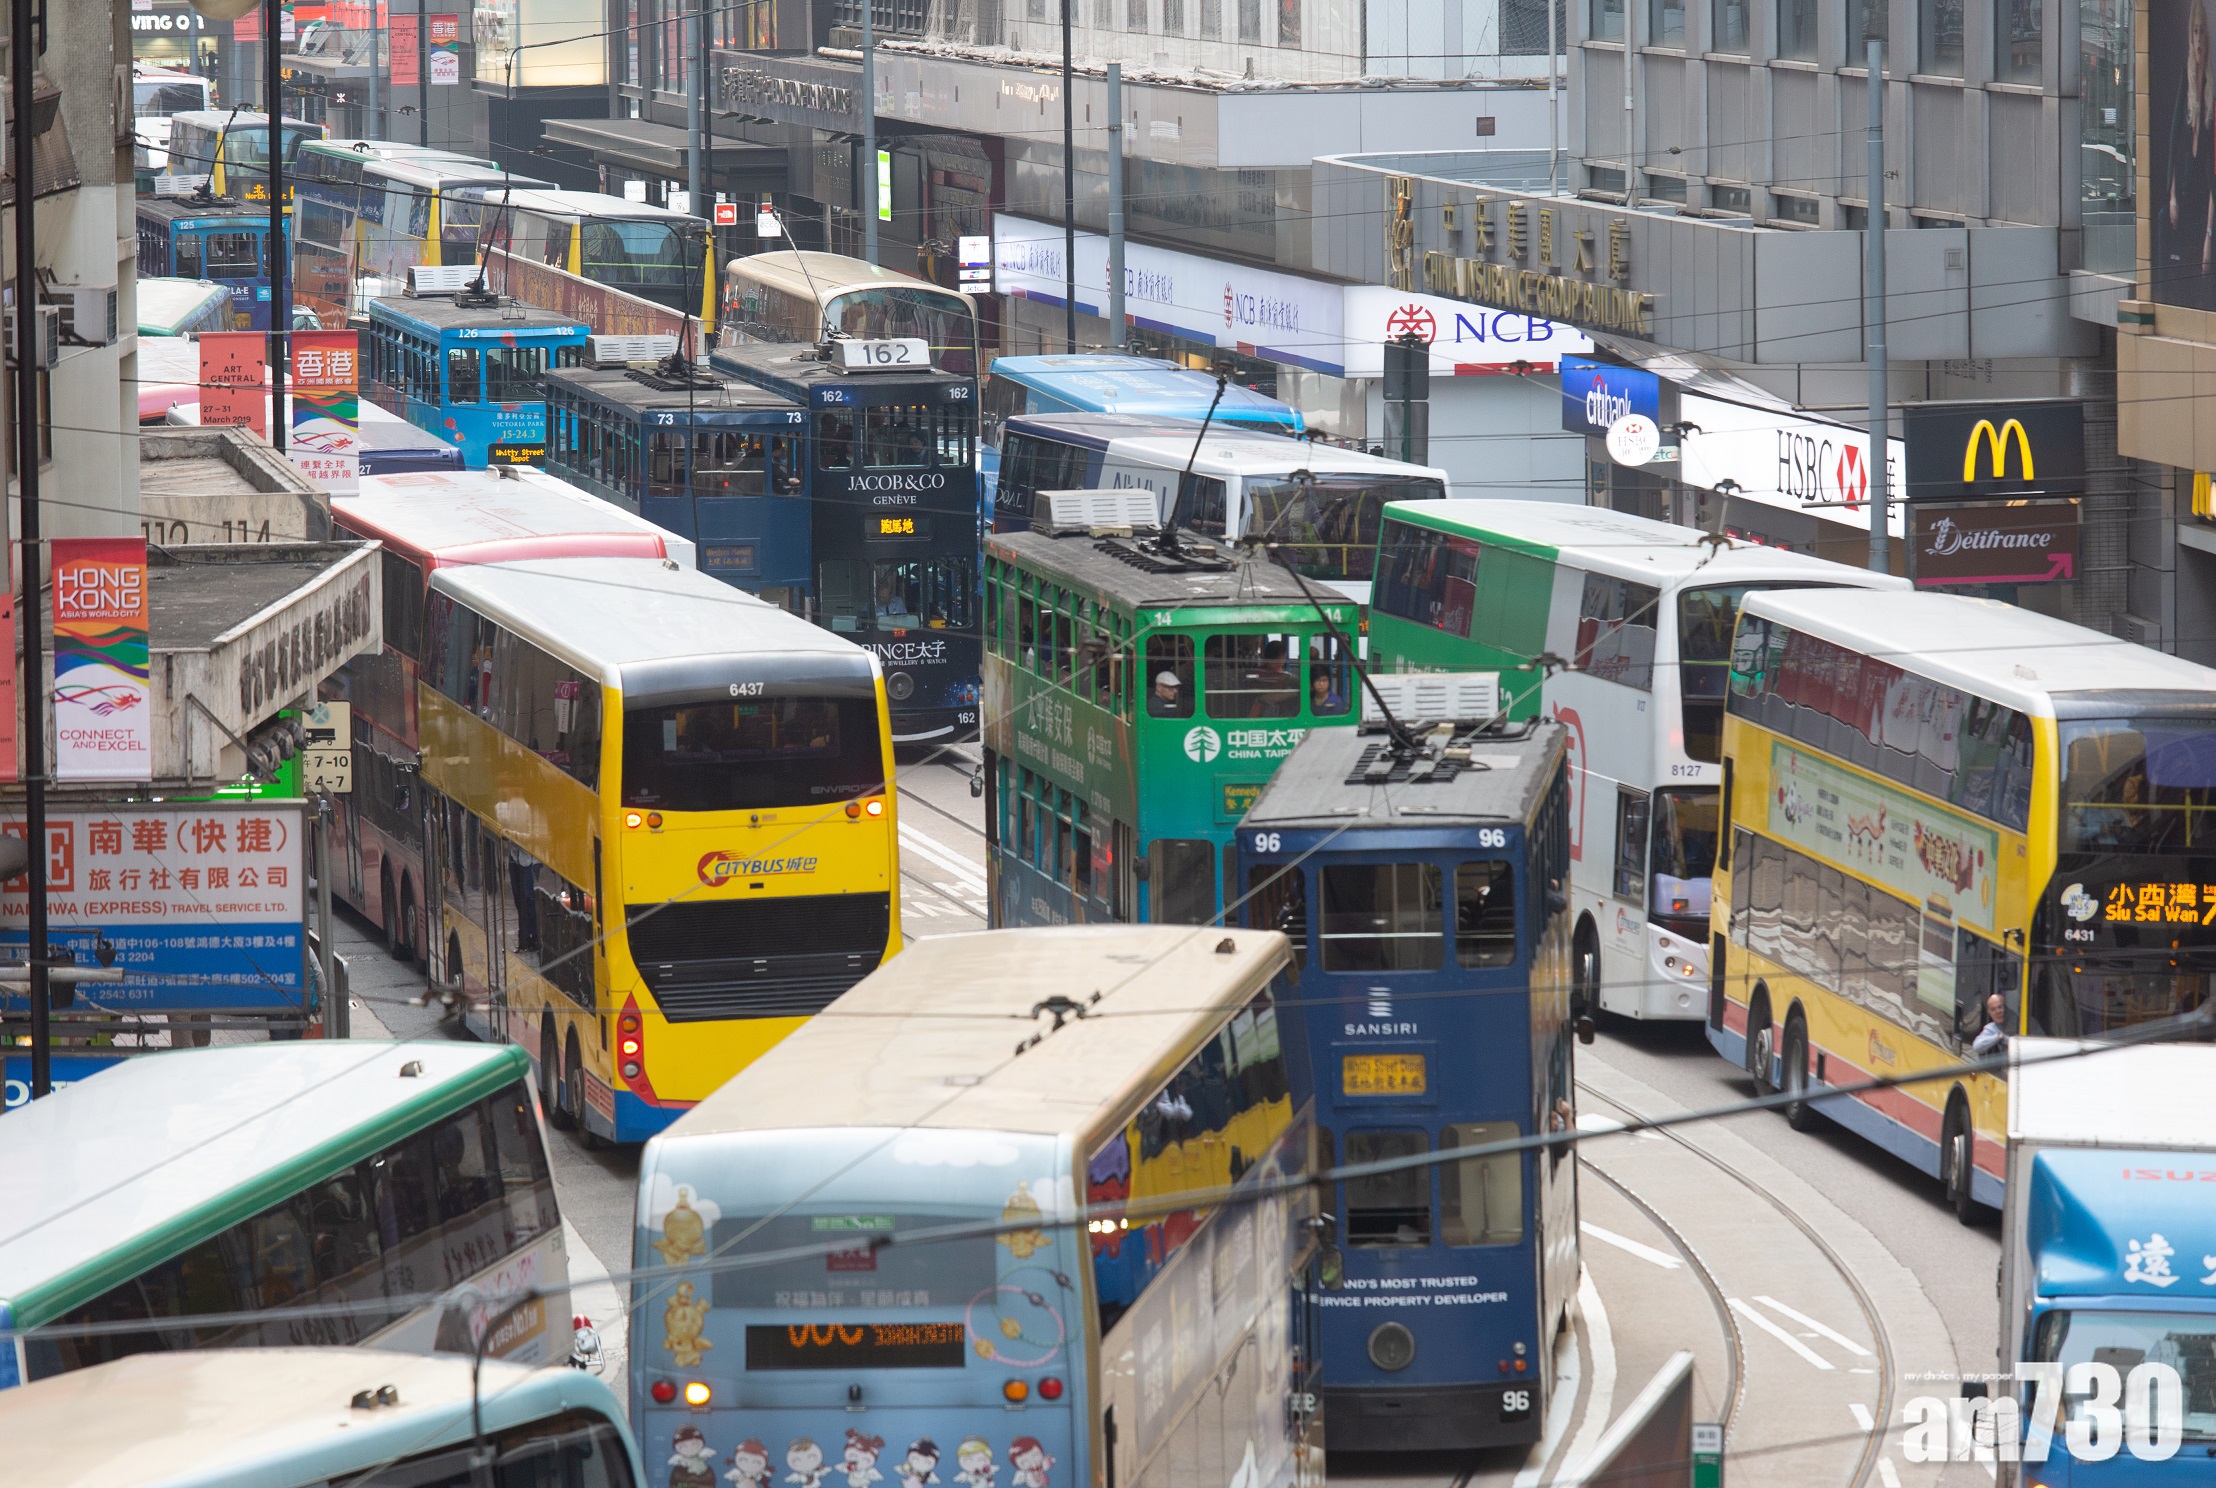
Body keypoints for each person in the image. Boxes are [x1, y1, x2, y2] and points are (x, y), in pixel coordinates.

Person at [1971, 991, 2011, 1058]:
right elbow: (1976, 1047)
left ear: (2006, 1007)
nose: (1998, 1012)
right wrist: (1997, 1037)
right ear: (1989, 1013)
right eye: (1993, 1009)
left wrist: (2004, 1038)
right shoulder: (1992, 1028)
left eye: (2000, 1007)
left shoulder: (2019, 1021)